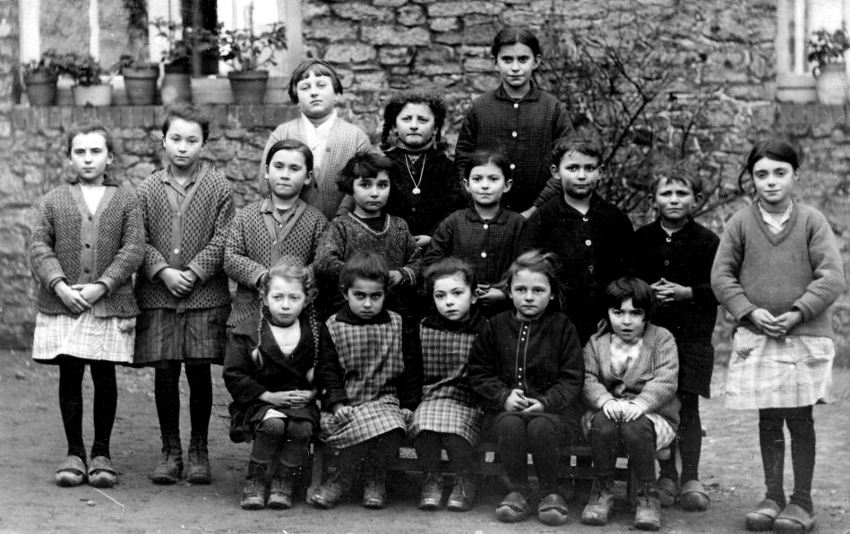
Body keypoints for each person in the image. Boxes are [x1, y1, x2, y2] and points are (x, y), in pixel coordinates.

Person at [711, 140, 845, 534]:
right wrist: (749, 312)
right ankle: (773, 495)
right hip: (759, 336)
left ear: (795, 175)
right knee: (768, 416)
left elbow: (832, 276)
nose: (770, 182)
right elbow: (722, 276)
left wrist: (797, 312)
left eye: (780, 173)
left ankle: (802, 500)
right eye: (761, 174)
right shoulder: (739, 222)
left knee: (800, 418)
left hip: (803, 336)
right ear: (751, 179)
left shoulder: (811, 221)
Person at [29, 121, 145, 489]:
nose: (88, 158)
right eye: (80, 151)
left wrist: (103, 285)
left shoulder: (126, 199)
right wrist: (60, 286)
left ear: (110, 156)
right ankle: (74, 452)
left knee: (104, 375)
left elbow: (134, 248)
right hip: (64, 302)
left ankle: (101, 452)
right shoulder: (53, 200)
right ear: (69, 158)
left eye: (96, 151)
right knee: (70, 374)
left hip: (107, 303)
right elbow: (38, 246)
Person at [134, 103, 235, 485]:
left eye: (192, 140)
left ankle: (198, 450)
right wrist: (162, 271)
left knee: (198, 372)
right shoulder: (146, 188)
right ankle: (170, 449)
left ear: (204, 144)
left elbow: (224, 236)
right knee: (164, 373)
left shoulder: (218, 187)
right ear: (163, 140)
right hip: (159, 296)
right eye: (175, 139)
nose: (182, 147)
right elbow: (137, 239)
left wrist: (192, 272)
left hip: (203, 297)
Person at [467, 250, 584, 526]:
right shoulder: (495, 326)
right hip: (504, 412)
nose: (529, 296)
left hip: (554, 414)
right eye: (521, 289)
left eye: (538, 290)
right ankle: (518, 490)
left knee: (541, 427)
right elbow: (479, 372)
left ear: (552, 294)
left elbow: (572, 378)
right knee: (509, 425)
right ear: (509, 291)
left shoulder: (563, 327)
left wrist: (545, 401)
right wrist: (503, 395)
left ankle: (549, 491)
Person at [633, 166, 720, 511]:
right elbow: (628, 282)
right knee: (661, 404)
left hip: (693, 338)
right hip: (653, 339)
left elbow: (720, 287)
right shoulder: (641, 239)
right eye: (666, 193)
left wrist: (687, 292)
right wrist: (645, 292)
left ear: (696, 201)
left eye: (682, 194)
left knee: (689, 406)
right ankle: (666, 473)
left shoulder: (708, 241)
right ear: (653, 199)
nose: (673, 200)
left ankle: (692, 478)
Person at [312, 252, 417, 509]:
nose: (368, 304)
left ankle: (375, 478)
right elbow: (328, 372)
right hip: (348, 401)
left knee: (392, 428)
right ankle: (343, 479)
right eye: (360, 296)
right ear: (346, 292)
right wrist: (337, 404)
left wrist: (409, 404)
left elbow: (412, 369)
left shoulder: (397, 324)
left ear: (385, 294)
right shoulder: (334, 325)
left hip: (385, 401)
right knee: (346, 424)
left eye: (376, 296)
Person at [581, 278, 680, 531]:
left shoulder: (662, 339)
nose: (626, 321)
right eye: (618, 312)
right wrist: (604, 400)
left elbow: (666, 379)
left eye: (635, 313)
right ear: (608, 312)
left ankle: (648, 495)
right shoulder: (596, 343)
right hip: (608, 411)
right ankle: (602, 491)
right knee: (603, 426)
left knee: (635, 427)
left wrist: (642, 403)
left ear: (646, 314)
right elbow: (588, 378)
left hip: (652, 415)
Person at [223, 258, 321, 511]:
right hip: (260, 402)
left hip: (299, 402)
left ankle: (283, 482)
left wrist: (312, 392)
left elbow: (328, 370)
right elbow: (234, 375)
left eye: (293, 298)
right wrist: (267, 396)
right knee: (273, 424)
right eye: (278, 297)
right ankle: (255, 481)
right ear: (264, 298)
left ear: (306, 299)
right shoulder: (247, 333)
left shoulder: (316, 333)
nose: (285, 305)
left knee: (301, 428)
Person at [518, 132, 634, 343]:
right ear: (556, 172)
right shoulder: (542, 219)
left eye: (589, 168)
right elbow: (528, 269)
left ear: (600, 172)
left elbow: (628, 273)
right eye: (572, 168)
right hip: (555, 324)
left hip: (606, 324)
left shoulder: (616, 219)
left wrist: (613, 314)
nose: (581, 176)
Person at [454, 27, 573, 215]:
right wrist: (481, 207)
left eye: (523, 59)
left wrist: (536, 209)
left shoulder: (552, 108)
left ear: (537, 61)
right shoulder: (479, 108)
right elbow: (463, 162)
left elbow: (567, 162)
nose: (515, 68)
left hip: (541, 216)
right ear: (495, 62)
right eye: (507, 60)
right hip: (488, 218)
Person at [409, 258, 488, 512]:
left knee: (456, 434)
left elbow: (489, 373)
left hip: (469, 400)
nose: (449, 302)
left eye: (457, 293)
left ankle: (465, 479)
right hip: (431, 397)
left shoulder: (485, 330)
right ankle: (431, 479)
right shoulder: (424, 328)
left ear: (473, 296)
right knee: (424, 427)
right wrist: (411, 404)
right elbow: (413, 370)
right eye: (440, 296)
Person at [225, 139, 327, 329]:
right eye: (279, 166)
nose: (285, 175)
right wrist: (263, 276)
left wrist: (295, 279)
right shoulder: (246, 216)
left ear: (307, 176)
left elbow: (322, 262)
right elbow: (231, 257)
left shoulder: (316, 221)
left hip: (297, 315)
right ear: (267, 170)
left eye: (294, 168)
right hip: (249, 315)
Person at [259, 59, 371, 220]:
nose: (313, 92)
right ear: (296, 99)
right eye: (305, 87)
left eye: (321, 85)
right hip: (290, 227)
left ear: (337, 94)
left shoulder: (356, 137)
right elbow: (265, 183)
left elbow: (363, 185)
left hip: (342, 229)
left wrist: (340, 221)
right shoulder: (282, 134)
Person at [314, 152, 421, 318]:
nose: (375, 193)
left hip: (394, 315)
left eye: (382, 185)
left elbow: (417, 262)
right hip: (349, 314)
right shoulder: (341, 226)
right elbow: (324, 264)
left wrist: (401, 274)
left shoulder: (399, 226)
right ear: (351, 186)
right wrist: (366, 275)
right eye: (365, 185)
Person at [424, 150, 524, 317]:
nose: (485, 185)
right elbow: (430, 264)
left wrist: (504, 293)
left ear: (507, 185)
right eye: (477, 179)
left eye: (493, 179)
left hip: (505, 312)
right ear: (467, 184)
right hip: (460, 312)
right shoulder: (453, 222)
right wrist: (461, 287)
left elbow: (528, 266)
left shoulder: (518, 223)